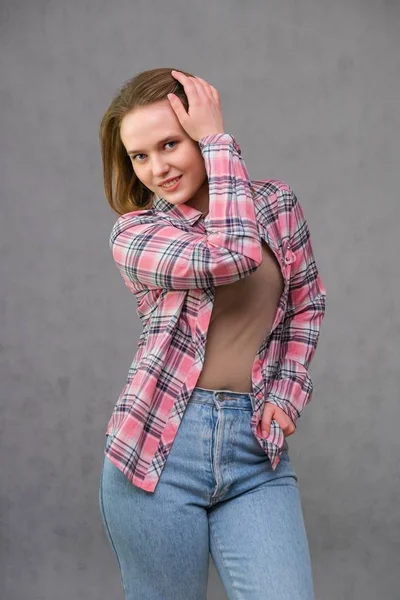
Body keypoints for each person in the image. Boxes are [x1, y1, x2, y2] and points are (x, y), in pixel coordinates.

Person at [98, 67, 327, 600]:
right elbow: (233, 256)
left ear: (198, 131)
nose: (157, 168)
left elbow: (306, 302)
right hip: (159, 451)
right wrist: (220, 146)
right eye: (139, 155)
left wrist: (289, 391)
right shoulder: (137, 233)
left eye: (171, 143)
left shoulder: (277, 204)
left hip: (255, 451)